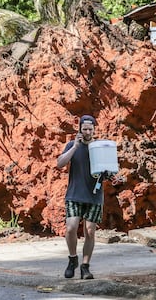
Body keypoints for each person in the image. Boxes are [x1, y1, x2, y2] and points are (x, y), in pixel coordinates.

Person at [56, 114, 102, 280]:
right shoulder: (71, 145)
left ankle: (85, 266)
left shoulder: (99, 147)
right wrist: (74, 147)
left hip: (94, 195)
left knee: (90, 231)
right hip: (75, 194)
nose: (88, 132)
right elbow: (59, 164)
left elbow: (110, 168)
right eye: (85, 129)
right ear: (80, 129)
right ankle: (72, 259)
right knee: (71, 227)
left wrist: (113, 175)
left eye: (90, 129)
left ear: (94, 129)